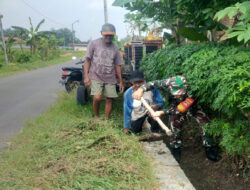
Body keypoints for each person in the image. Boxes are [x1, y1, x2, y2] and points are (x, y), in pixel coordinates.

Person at [132, 76, 222, 162]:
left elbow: (180, 109)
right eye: (175, 93)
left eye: (180, 94)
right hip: (174, 104)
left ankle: (209, 149)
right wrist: (141, 90)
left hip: (190, 106)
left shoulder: (193, 90)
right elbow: (152, 84)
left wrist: (162, 112)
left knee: (206, 123)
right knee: (174, 125)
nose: (178, 96)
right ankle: (176, 149)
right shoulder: (167, 83)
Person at [84, 23, 124, 118]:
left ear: (114, 34)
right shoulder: (94, 43)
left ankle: (106, 119)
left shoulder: (115, 48)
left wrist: (121, 81)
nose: (108, 37)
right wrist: (86, 76)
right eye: (106, 35)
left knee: (109, 99)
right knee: (97, 97)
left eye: (111, 35)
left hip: (110, 77)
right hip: (95, 75)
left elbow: (118, 65)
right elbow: (88, 60)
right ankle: (97, 117)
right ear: (101, 33)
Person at [123, 70, 164, 135]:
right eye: (135, 83)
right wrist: (126, 127)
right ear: (131, 82)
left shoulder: (152, 89)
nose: (137, 85)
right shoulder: (128, 94)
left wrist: (154, 109)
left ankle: (155, 130)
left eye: (140, 82)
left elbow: (160, 102)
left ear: (144, 80)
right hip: (138, 114)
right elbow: (127, 111)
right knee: (135, 132)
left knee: (155, 116)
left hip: (151, 112)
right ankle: (141, 124)